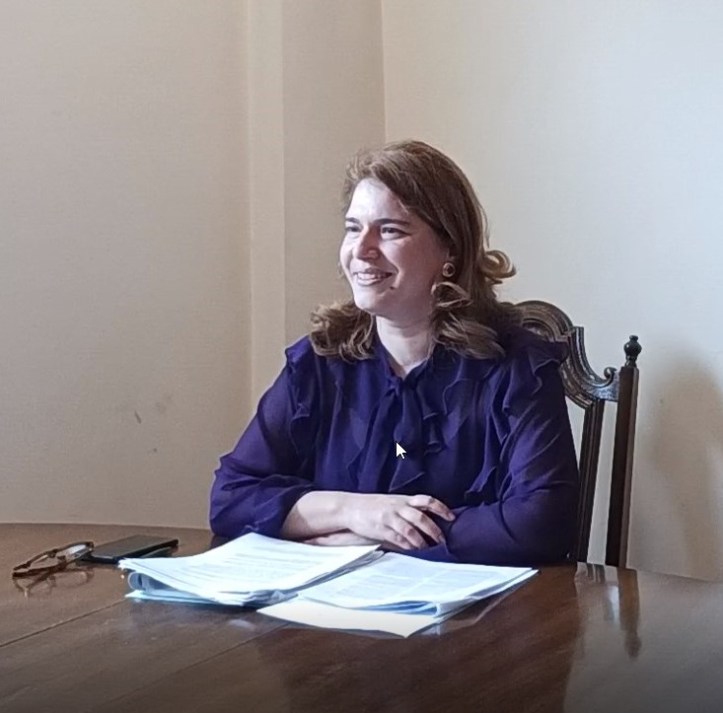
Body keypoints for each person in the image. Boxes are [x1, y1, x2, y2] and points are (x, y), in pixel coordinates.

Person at [210, 139, 579, 565]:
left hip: (486, 606)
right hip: (334, 602)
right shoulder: (319, 362)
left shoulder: (517, 366)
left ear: (450, 251)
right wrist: (355, 512)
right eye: (353, 228)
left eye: (390, 230)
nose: (361, 250)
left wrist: (385, 537)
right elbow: (230, 497)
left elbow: (543, 522)